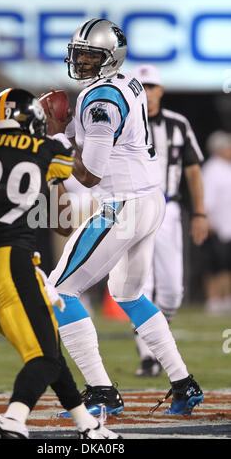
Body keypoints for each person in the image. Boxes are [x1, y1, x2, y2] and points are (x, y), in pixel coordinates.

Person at [0, 87, 122, 439]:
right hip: (11, 266)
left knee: (48, 347)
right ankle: (13, 417)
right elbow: (63, 222)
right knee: (41, 356)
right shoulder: (49, 149)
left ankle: (87, 425)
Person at [47, 18, 204, 416]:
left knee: (58, 293)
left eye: (89, 56)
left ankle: (101, 392)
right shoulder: (126, 83)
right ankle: (184, 383)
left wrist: (55, 139)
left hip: (123, 204)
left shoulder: (100, 101)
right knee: (129, 294)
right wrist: (69, 133)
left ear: (109, 58)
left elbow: (90, 173)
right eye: (79, 54)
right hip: (149, 200)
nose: (80, 62)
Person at [128, 64, 208, 377]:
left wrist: (199, 213)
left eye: (151, 87)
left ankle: (151, 337)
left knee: (173, 290)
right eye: (141, 87)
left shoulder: (177, 124)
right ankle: (148, 354)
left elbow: (192, 170)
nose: (147, 94)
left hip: (170, 209)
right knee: (139, 284)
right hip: (133, 209)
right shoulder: (125, 124)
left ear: (161, 90)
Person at [200, 131, 231, 315]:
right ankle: (214, 299)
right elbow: (207, 198)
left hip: (227, 226)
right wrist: (206, 220)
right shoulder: (212, 169)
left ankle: (226, 298)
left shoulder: (227, 168)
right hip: (216, 226)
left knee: (226, 265)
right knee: (215, 265)